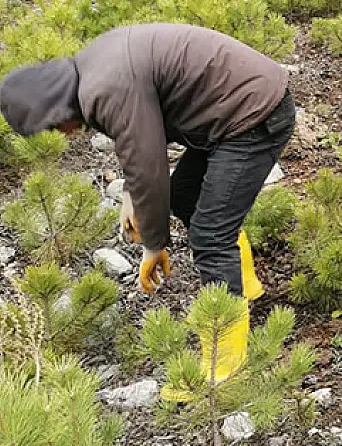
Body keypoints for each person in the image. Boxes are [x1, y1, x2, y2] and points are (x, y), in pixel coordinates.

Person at [0, 23, 294, 390]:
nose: (63, 134)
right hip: (228, 111)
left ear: (54, 105)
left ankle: (227, 368)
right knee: (185, 196)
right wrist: (129, 197)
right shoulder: (91, 71)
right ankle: (245, 289)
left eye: (53, 126)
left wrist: (154, 245)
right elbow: (137, 139)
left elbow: (149, 164)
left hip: (254, 114)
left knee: (210, 237)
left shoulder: (104, 88)